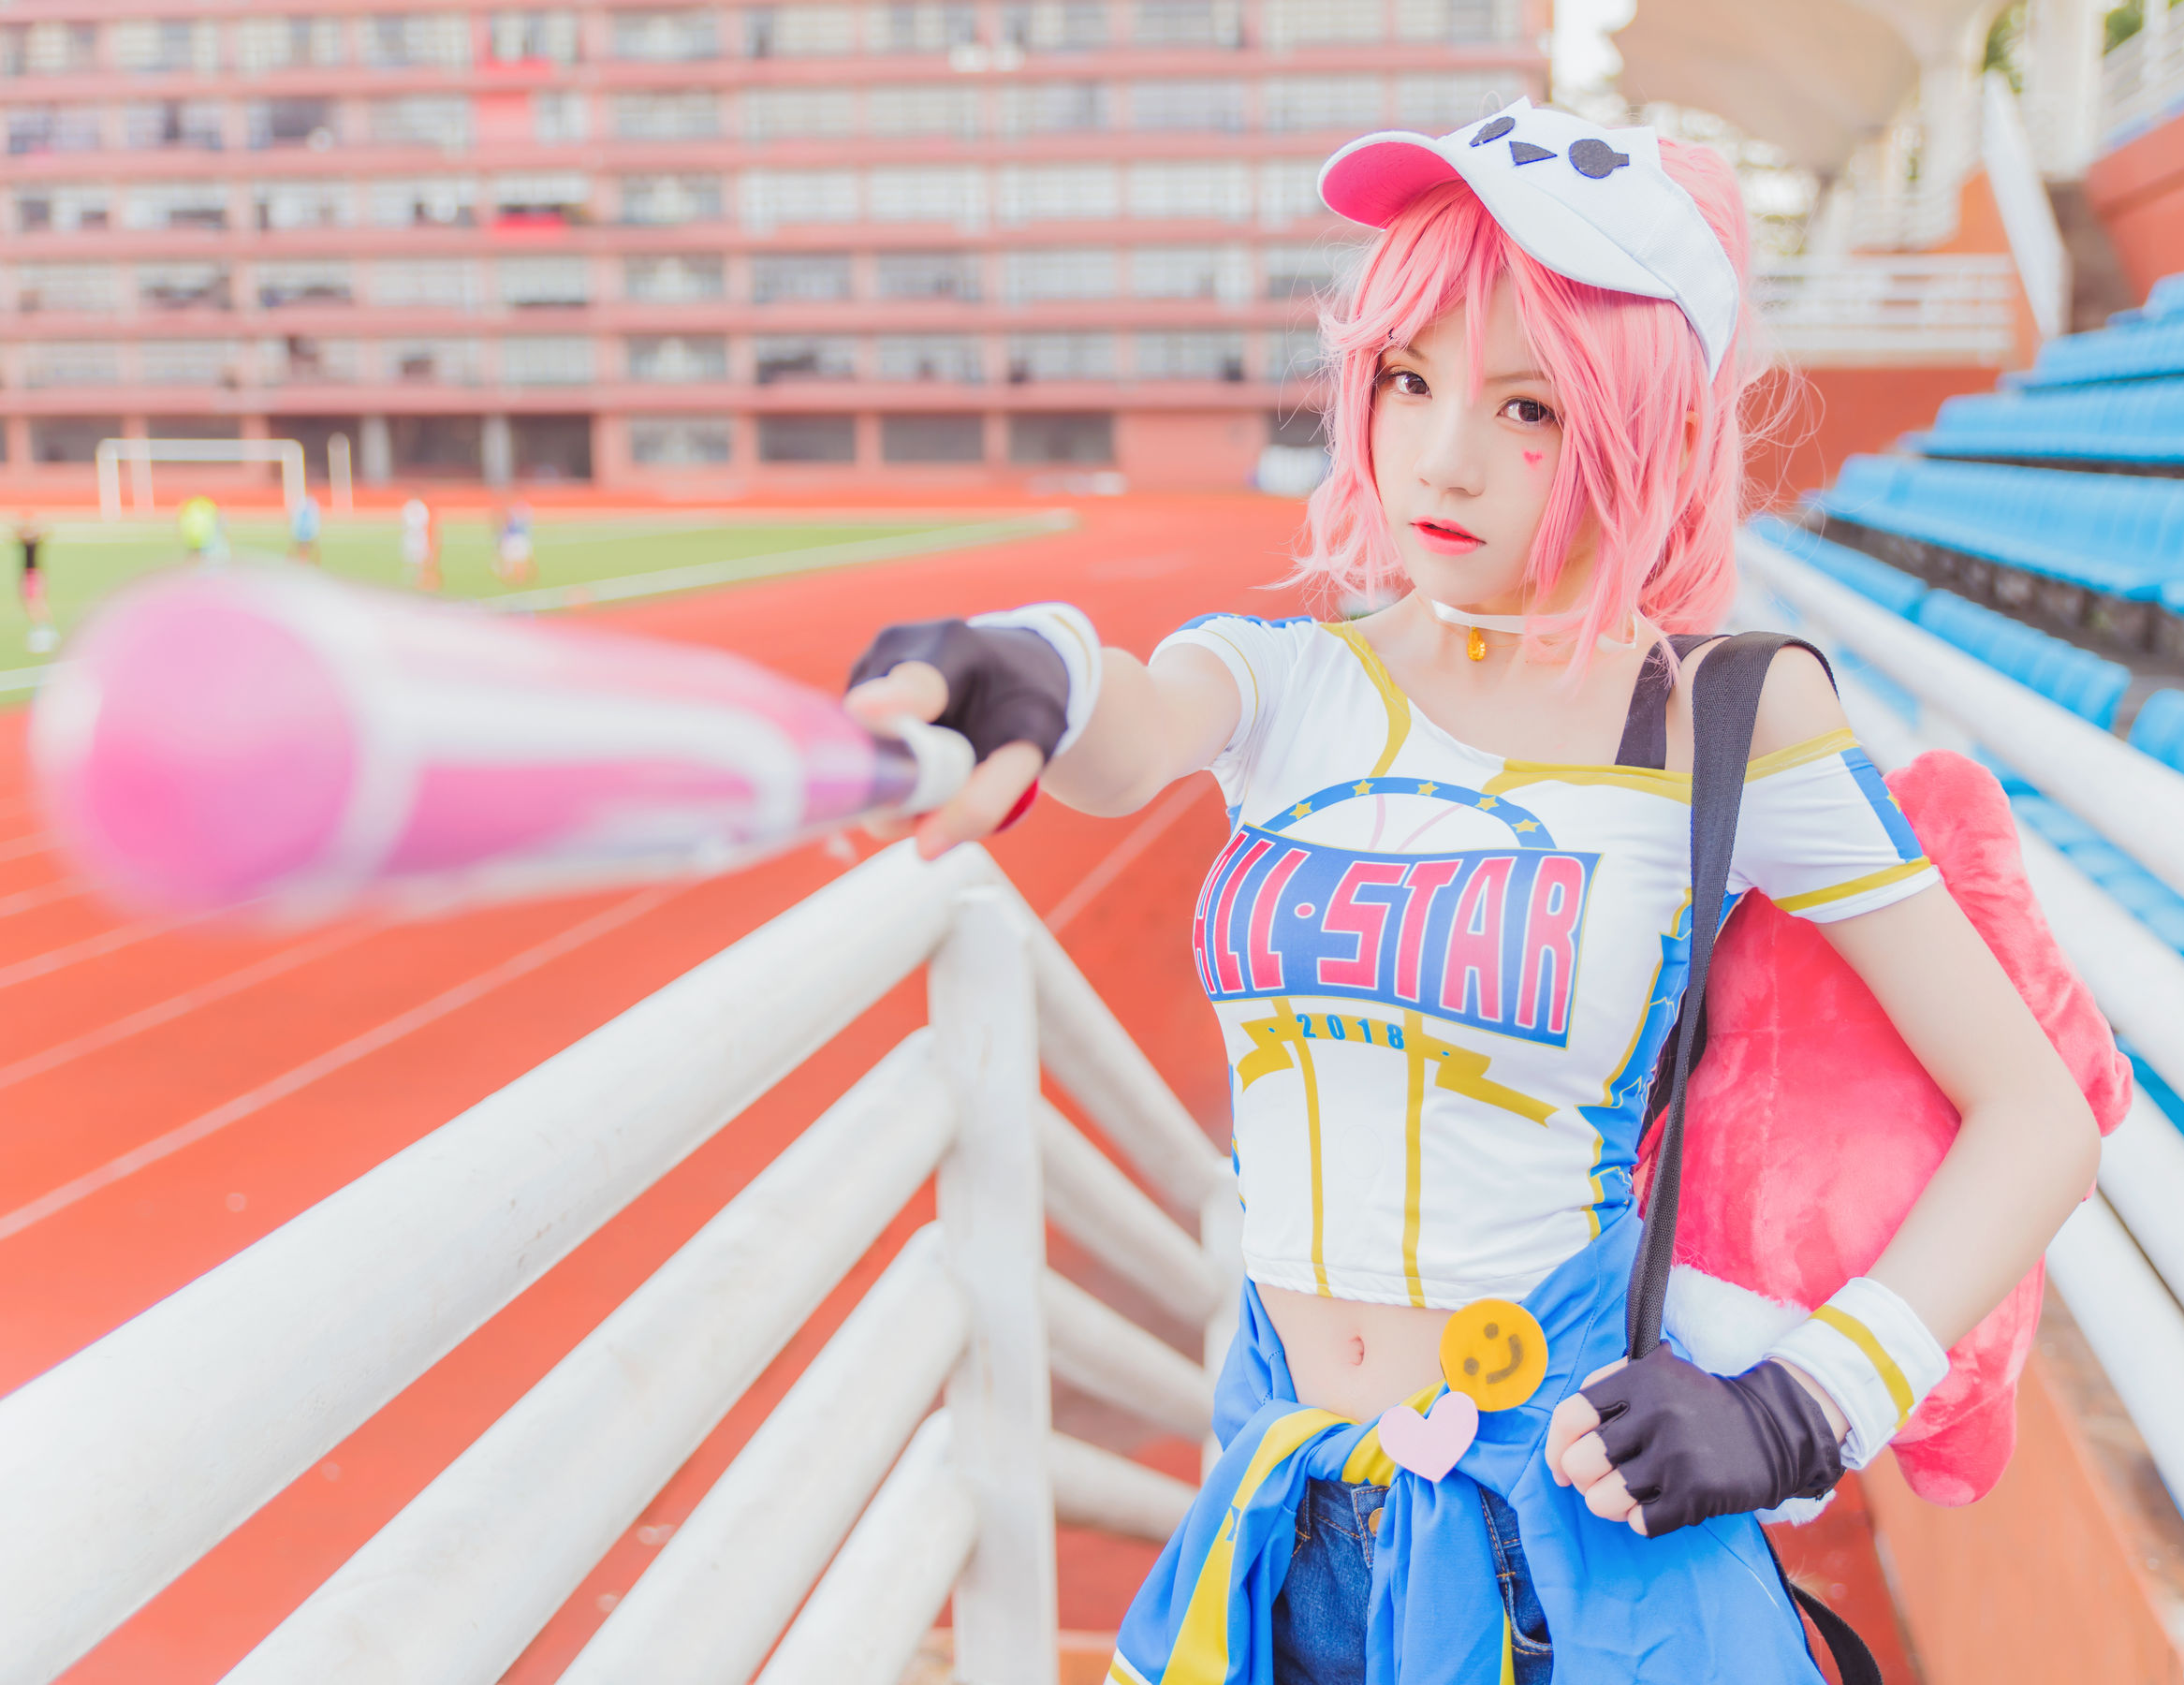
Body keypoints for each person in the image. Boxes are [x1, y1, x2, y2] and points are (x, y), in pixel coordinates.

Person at [845, 101, 2102, 1685]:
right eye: (1407, 378)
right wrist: (1029, 666)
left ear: (1648, 433)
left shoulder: (1718, 716)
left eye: (1527, 408)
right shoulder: (1292, 681)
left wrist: (1800, 1407)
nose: (1440, 458)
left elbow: (2035, 1113)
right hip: (1285, 1513)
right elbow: (1132, 725)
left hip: (1566, 1536)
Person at [16, 513, 54, 654]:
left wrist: (36, 523)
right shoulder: (27, 540)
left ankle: (44, 629)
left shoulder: (32, 540)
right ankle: (44, 629)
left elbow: (42, 531)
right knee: (33, 603)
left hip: (32, 575)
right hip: (30, 574)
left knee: (34, 604)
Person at [402, 497, 439, 592]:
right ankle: (414, 581)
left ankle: (420, 580)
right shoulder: (414, 506)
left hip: (418, 537)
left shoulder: (418, 507)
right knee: (414, 561)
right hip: (414, 537)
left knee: (420, 561)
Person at [495, 500, 535, 585]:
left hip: (514, 540)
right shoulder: (518, 516)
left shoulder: (513, 516)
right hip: (517, 539)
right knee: (518, 560)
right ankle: (517, 577)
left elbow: (507, 529)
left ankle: (516, 577)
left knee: (515, 559)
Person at [289, 496, 322, 565]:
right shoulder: (304, 505)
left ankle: (312, 562)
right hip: (304, 529)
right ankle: (300, 561)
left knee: (308, 546)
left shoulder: (309, 504)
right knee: (301, 546)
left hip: (306, 529)